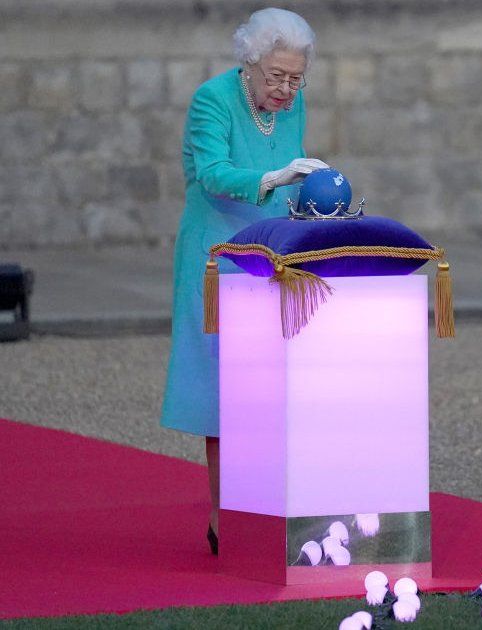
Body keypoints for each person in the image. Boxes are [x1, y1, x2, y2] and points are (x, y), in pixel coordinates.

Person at [160, 7, 328, 555]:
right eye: (276, 76)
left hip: (276, 250)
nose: (285, 89)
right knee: (225, 389)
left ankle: (277, 506)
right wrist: (271, 178)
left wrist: (318, 211)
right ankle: (224, 513)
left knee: (275, 385)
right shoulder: (213, 98)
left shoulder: (293, 102)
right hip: (220, 255)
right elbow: (211, 171)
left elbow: (295, 168)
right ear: (249, 64)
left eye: (295, 78)